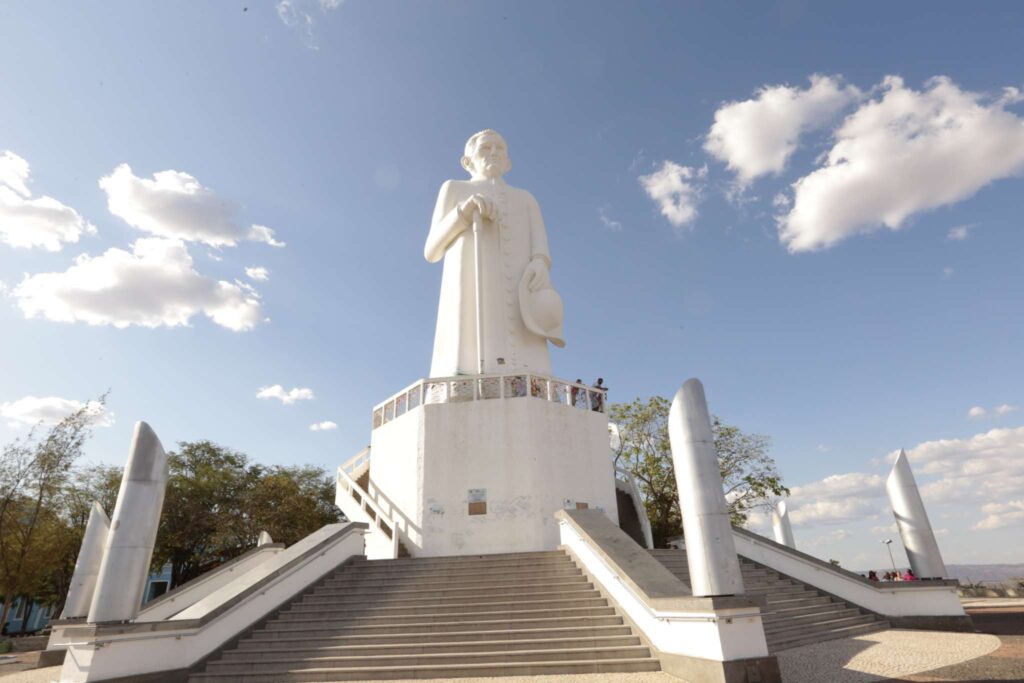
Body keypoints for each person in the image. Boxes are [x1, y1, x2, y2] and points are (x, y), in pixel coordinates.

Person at [424, 130, 564, 377]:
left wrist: (540, 262)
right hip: (471, 285)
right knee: (468, 343)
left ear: (508, 162)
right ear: (467, 162)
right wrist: (463, 212)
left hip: (521, 285)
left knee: (527, 355)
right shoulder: (454, 189)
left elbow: (540, 247)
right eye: (485, 148)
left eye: (500, 149)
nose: (494, 153)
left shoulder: (526, 199)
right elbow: (431, 249)